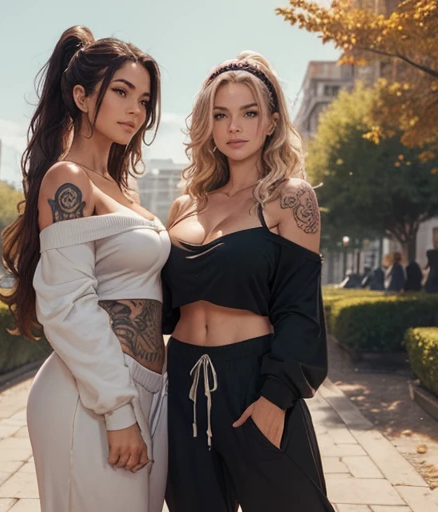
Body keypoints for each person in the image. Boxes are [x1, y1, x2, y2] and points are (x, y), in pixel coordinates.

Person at [0, 26, 169, 512]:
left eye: (145, 99)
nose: (136, 109)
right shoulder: (67, 179)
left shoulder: (118, 187)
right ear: (80, 95)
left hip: (144, 390)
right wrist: (118, 411)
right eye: (121, 92)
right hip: (92, 398)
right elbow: (67, 303)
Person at [162, 52, 333, 511]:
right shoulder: (184, 206)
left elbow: (300, 309)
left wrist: (276, 397)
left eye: (249, 113)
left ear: (272, 121)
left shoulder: (291, 198)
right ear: (208, 125)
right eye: (221, 115)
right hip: (182, 382)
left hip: (254, 382)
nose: (234, 127)